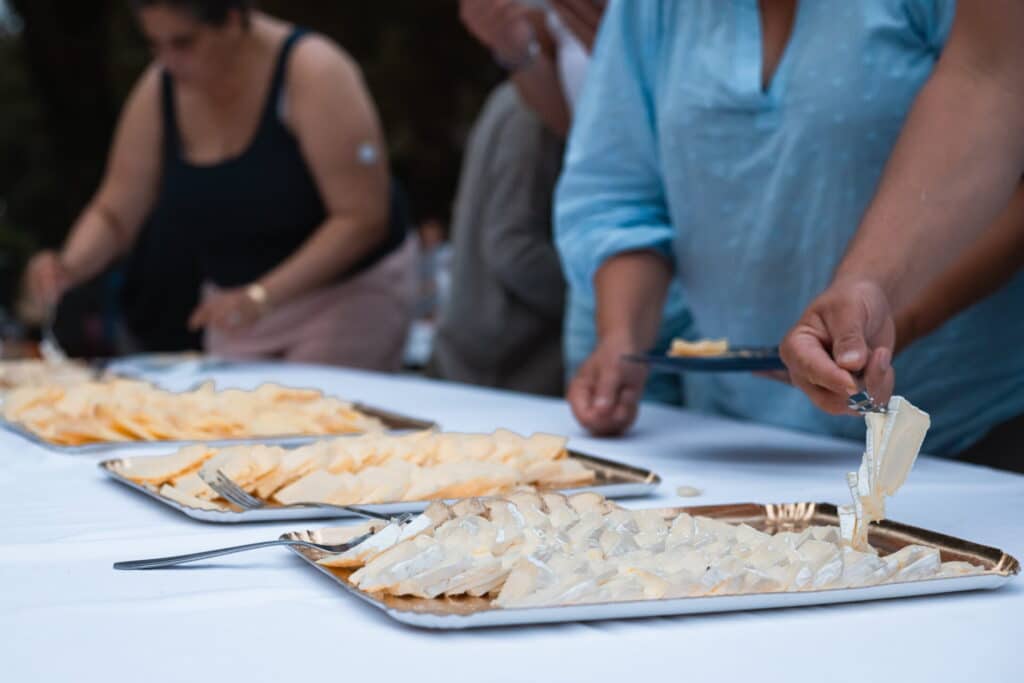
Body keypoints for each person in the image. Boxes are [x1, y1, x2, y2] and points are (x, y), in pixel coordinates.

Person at [556, 0, 1024, 458]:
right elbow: (621, 191)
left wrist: (892, 321)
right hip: (739, 436)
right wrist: (623, 335)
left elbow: (995, 93)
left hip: (957, 428)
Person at [22, 0, 415, 369]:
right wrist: (70, 265)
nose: (167, 61)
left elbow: (362, 217)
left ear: (232, 19)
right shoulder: (160, 88)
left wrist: (263, 294)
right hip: (234, 310)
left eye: (183, 43)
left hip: (342, 297)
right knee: (227, 413)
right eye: (154, 44)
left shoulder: (312, 71)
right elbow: (116, 212)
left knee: (313, 411)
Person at [779, 0, 1024, 423]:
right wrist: (866, 284)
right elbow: (991, 75)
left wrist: (890, 303)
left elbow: (994, 77)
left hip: (974, 409)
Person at [460, 0, 694, 414]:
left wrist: (628, 53)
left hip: (711, 244)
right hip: (611, 243)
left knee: (737, 436)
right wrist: (517, 50)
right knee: (610, 417)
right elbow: (583, 131)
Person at [428, 82, 566, 395]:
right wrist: (603, 300)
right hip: (509, 360)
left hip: (483, 349)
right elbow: (514, 248)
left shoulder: (515, 99)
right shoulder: (534, 111)